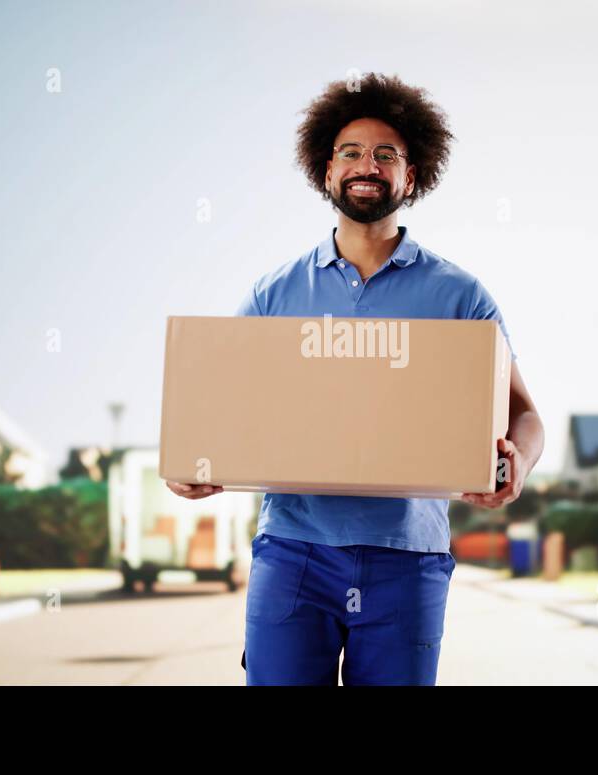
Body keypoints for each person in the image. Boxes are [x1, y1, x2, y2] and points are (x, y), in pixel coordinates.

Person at [166, 73, 543, 685]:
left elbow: (525, 415)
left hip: (408, 558)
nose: (367, 164)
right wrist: (196, 461)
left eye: (386, 154)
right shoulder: (275, 292)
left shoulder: (459, 295)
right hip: (294, 551)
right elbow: (223, 410)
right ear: (326, 171)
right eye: (351, 152)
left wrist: (517, 466)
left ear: (411, 177)